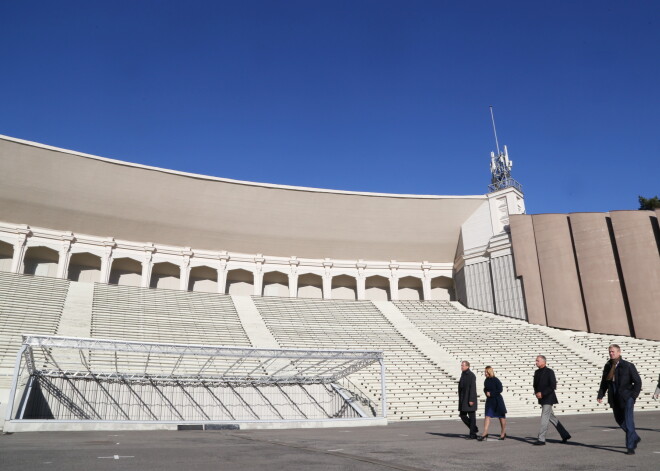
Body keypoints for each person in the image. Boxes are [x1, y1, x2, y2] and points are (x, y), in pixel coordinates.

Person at [597, 344, 642, 455]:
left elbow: (637, 382)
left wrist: (633, 396)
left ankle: (630, 446)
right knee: (619, 420)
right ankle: (634, 436)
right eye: (610, 352)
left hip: (627, 397)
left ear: (619, 352)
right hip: (614, 397)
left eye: (613, 351)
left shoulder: (628, 366)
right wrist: (600, 394)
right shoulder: (608, 366)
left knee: (628, 421)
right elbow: (604, 382)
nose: (611, 353)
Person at [533, 355, 571, 445]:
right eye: (536, 361)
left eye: (537, 361)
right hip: (541, 398)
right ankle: (565, 434)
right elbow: (535, 385)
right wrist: (537, 393)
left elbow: (553, 386)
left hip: (548, 397)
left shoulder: (550, 372)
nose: (536, 362)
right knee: (551, 417)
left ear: (543, 362)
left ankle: (541, 439)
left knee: (544, 417)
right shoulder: (537, 372)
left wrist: (542, 393)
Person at [477, 366, 507, 441]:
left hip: (497, 400)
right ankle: (485, 432)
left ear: (490, 372)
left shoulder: (496, 380)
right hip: (490, 401)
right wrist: (486, 393)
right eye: (485, 372)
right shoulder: (486, 380)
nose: (485, 373)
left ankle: (503, 432)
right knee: (487, 416)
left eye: (486, 372)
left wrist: (492, 394)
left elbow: (500, 389)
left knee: (501, 417)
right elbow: (485, 389)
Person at [458, 360, 478, 439]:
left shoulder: (471, 375)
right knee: (462, 415)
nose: (461, 367)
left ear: (467, 366)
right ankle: (474, 429)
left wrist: (471, 399)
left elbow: (473, 388)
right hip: (463, 399)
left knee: (472, 417)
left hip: (469, 399)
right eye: (461, 365)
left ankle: (472, 434)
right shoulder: (463, 374)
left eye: (463, 365)